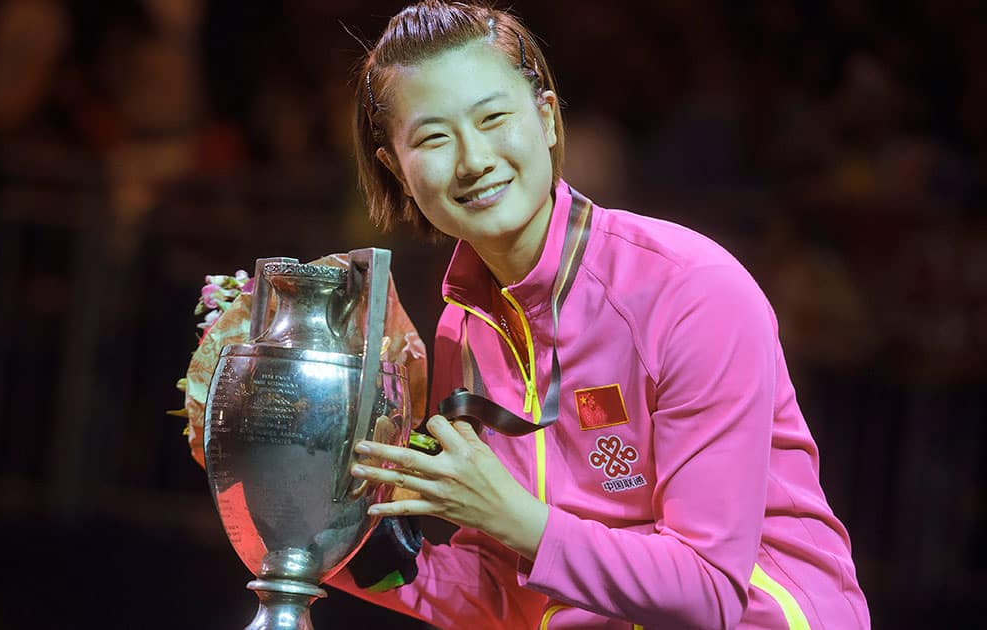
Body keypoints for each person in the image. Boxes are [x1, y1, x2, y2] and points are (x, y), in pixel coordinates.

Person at [327, 2, 871, 628]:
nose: (473, 159)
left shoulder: (690, 291)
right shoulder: (465, 331)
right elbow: (499, 594)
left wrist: (516, 518)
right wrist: (311, 530)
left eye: (493, 118)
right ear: (396, 166)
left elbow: (708, 593)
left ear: (548, 119)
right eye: (433, 138)